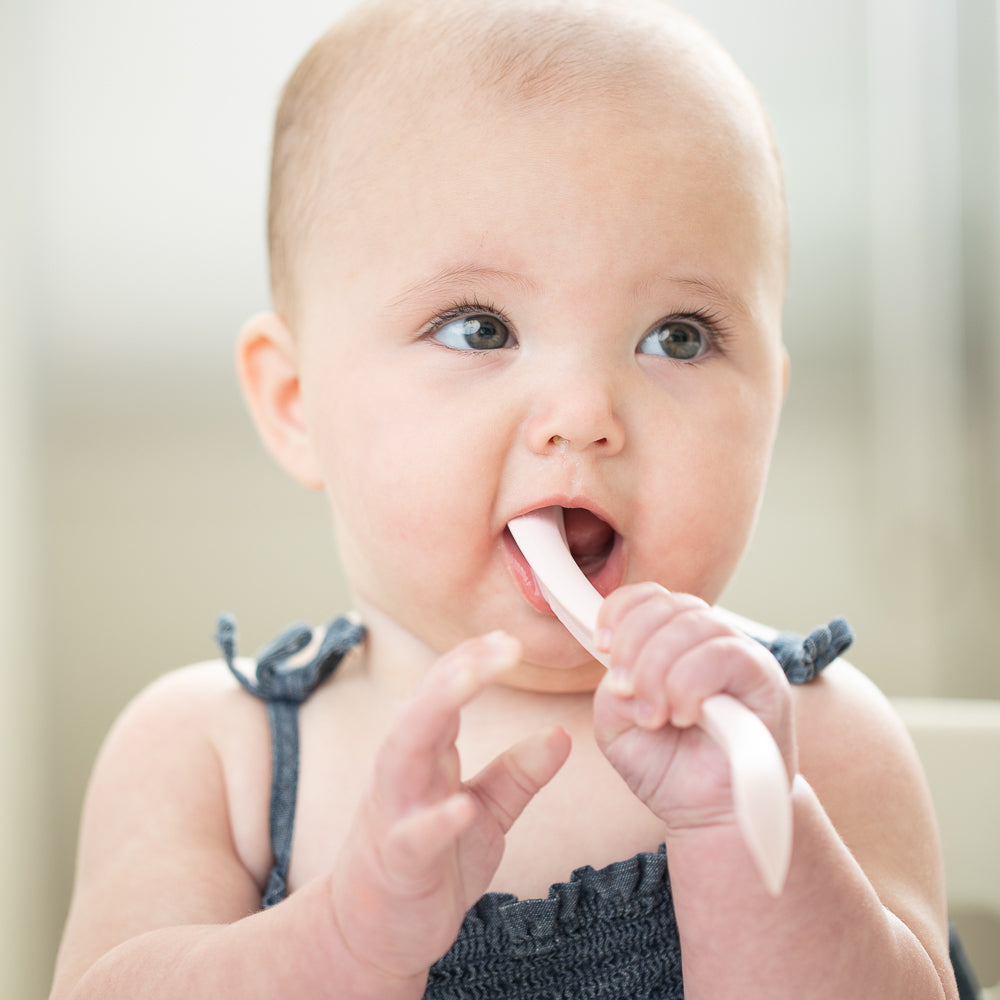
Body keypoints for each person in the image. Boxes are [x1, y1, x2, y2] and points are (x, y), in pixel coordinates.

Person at [49, 0, 959, 997]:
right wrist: (338, 947)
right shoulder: (205, 758)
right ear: (296, 402)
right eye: (479, 328)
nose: (582, 412)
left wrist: (746, 829)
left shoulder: (807, 737)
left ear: (767, 410)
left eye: (679, 336)